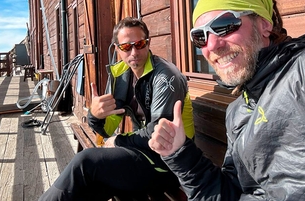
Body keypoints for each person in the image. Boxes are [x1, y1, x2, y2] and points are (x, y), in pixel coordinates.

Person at [148, 0, 305, 200]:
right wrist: (180, 154)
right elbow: (231, 194)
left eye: (225, 25)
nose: (212, 45)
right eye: (200, 37)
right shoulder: (238, 112)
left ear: (264, 25)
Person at [39, 17, 195, 201]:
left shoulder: (166, 77)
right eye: (126, 47)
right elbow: (107, 129)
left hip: (171, 163)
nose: (134, 52)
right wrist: (95, 116)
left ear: (148, 43)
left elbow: (159, 134)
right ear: (117, 49)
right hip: (143, 155)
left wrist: (119, 141)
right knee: (88, 188)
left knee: (86, 162)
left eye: (139, 44)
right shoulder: (121, 75)